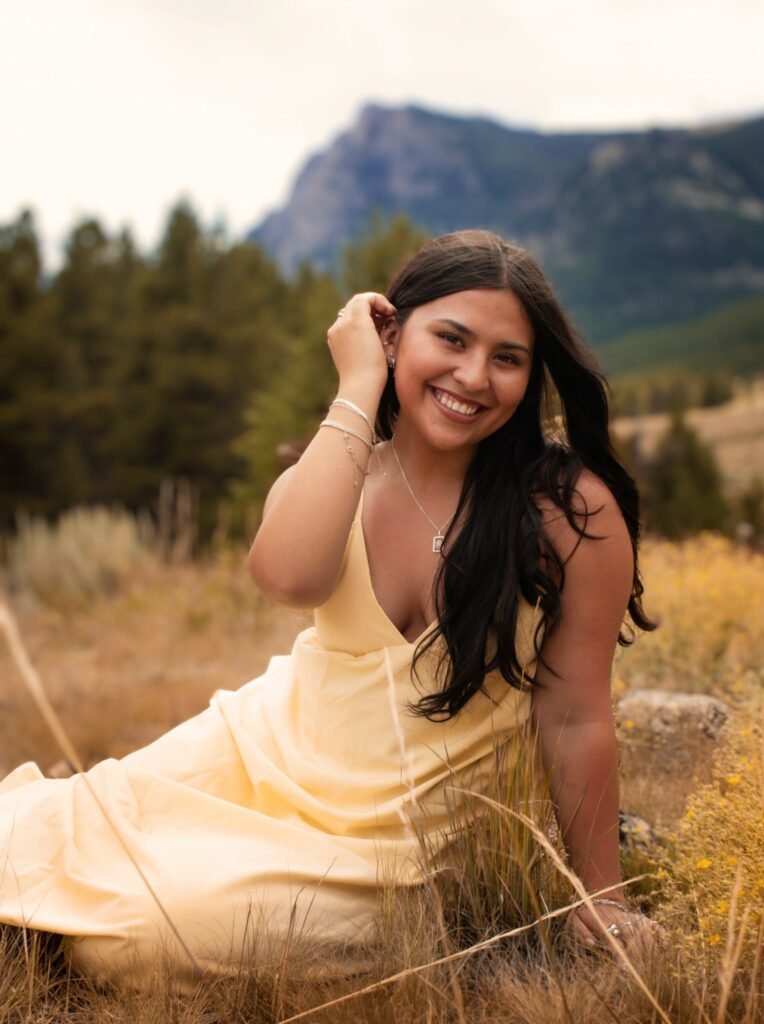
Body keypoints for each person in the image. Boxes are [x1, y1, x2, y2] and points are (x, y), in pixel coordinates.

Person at [0, 229, 655, 985]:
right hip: (257, 755)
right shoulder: (344, 468)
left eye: (506, 358)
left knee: (140, 930)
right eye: (451, 338)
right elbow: (287, 578)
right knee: (29, 833)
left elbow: (575, 717)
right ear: (390, 332)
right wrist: (356, 386)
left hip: (395, 850)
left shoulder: (567, 513)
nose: (473, 376)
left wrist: (599, 897)